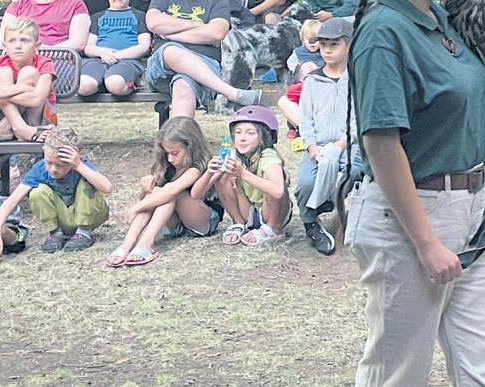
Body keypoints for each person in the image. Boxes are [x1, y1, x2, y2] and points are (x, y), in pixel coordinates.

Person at [347, 0, 485, 385]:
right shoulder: (383, 33)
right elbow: (381, 145)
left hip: (472, 211)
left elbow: (444, 114)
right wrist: (425, 243)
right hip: (413, 217)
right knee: (398, 374)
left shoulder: (442, 18)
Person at [146, 0, 262, 118]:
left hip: (205, 66)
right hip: (161, 68)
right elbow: (153, 23)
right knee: (170, 50)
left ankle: (179, 136)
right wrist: (199, 25)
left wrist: (170, 33)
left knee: (183, 88)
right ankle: (230, 92)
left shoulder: (217, 0)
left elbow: (216, 33)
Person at [105, 116, 220, 267]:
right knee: (156, 192)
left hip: (202, 221)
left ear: (190, 147)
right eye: (167, 153)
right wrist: (146, 187)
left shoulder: (198, 166)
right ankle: (127, 245)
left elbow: (172, 191)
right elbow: (151, 197)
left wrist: (135, 208)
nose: (170, 159)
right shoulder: (167, 165)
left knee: (171, 192)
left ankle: (145, 244)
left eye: (175, 153)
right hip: (176, 223)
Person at [0, 126, 111, 256]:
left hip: (89, 216)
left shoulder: (80, 165)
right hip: (63, 217)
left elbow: (107, 188)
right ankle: (56, 233)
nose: (53, 169)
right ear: (44, 151)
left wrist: (78, 165)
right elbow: (11, 202)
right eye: (49, 162)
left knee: (89, 183)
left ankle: (84, 232)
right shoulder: (40, 170)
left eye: (61, 165)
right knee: (37, 192)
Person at [295, 18, 356, 256]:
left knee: (355, 171)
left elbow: (361, 116)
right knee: (305, 184)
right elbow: (305, 118)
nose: (327, 51)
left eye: (334, 45)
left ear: (349, 45)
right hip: (318, 145)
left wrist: (344, 142)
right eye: (323, 45)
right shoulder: (312, 80)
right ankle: (311, 222)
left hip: (349, 145)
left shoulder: (358, 79)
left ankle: (333, 200)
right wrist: (311, 145)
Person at [201, 105, 292, 246]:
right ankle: (238, 222)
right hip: (249, 211)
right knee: (224, 176)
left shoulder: (269, 157)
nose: (242, 138)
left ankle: (274, 228)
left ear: (265, 137)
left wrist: (243, 174)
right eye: (238, 132)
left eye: (250, 133)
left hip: (272, 212)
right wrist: (209, 172)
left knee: (270, 181)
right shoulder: (232, 155)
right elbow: (197, 194)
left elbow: (278, 191)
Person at [0, 17, 56, 142]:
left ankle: (6, 127)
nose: (18, 46)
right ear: (4, 45)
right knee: (3, 71)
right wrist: (23, 88)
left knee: (28, 72)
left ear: (37, 45)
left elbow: (36, 99)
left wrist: (0, 93)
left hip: (37, 120)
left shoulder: (44, 64)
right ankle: (19, 127)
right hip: (0, 115)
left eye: (25, 40)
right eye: (12, 41)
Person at [78, 0, 151, 96]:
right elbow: (89, 47)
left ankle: (131, 84)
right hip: (100, 59)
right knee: (84, 86)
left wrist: (118, 55)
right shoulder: (97, 17)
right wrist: (102, 52)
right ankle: (101, 82)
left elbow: (144, 46)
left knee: (115, 84)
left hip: (128, 60)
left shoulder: (139, 16)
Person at [276, 19, 325, 143]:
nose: (312, 43)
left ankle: (311, 129)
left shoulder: (324, 52)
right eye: (308, 39)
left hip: (319, 87)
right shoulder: (299, 52)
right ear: (303, 38)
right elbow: (290, 63)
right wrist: (300, 68)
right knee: (293, 100)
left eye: (316, 39)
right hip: (301, 85)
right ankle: (294, 127)